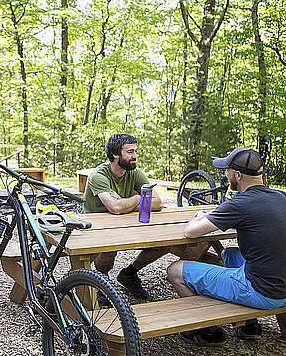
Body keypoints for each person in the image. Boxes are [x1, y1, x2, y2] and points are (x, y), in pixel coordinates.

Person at [167, 147, 286, 346]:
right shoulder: (280, 198)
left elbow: (190, 232)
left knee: (175, 270)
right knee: (229, 254)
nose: (225, 174)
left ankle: (206, 329)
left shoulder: (240, 204)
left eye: (227, 170)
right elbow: (253, 220)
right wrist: (213, 217)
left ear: (238, 175)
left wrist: (198, 217)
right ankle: (251, 325)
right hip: (282, 286)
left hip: (261, 291)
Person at [83, 133, 164, 299]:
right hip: (96, 227)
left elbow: (158, 203)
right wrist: (138, 199)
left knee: (164, 243)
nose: (135, 156)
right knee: (109, 248)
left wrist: (131, 201)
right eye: (130, 152)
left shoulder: (135, 173)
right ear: (115, 154)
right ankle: (102, 281)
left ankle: (129, 274)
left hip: (126, 224)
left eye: (135, 151)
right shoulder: (99, 176)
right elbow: (115, 207)